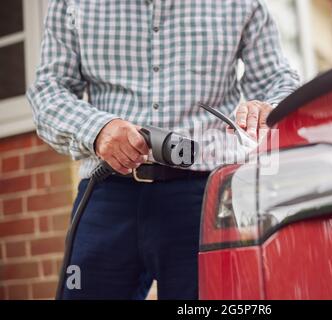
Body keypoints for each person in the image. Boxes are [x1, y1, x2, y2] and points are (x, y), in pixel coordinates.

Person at [27, 0, 300, 300]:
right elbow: (48, 90)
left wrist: (266, 110)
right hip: (106, 188)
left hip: (208, 194)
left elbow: (278, 80)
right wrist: (97, 130)